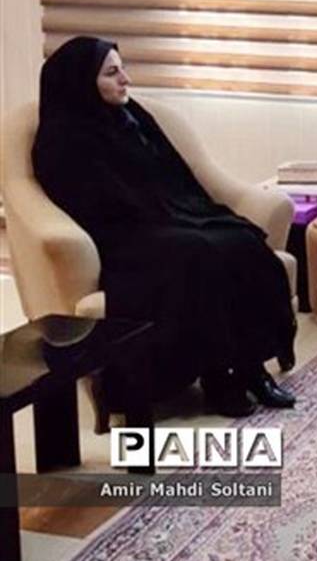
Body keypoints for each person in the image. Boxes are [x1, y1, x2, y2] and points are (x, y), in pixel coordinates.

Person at [32, 36, 298, 418]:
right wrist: (155, 213)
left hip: (165, 217)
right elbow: (93, 203)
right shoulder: (61, 139)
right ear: (82, 82)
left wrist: (182, 211)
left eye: (123, 69)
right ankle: (218, 377)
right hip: (120, 236)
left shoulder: (131, 115)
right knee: (198, 253)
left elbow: (174, 175)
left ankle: (249, 367)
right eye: (112, 73)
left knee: (241, 239)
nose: (125, 79)